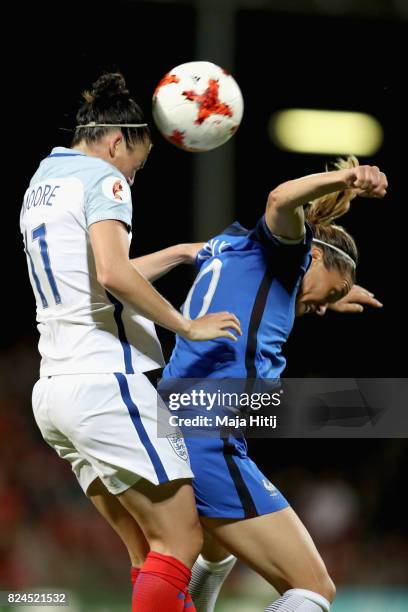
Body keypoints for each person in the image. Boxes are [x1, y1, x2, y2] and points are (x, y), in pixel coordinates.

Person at [20, 72, 242, 612]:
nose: (131, 181)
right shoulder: (104, 179)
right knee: (184, 540)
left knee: (148, 552)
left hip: (54, 391)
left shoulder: (43, 180)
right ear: (117, 142)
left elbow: (96, 275)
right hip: (105, 384)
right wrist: (187, 326)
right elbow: (115, 275)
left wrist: (178, 252)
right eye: (135, 167)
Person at [159, 156, 387, 611]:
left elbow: (267, 290)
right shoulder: (289, 249)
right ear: (314, 255)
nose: (324, 308)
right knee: (315, 588)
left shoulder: (232, 247)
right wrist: (346, 178)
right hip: (209, 435)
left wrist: (335, 294)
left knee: (217, 550)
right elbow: (282, 198)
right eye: (333, 291)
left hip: (176, 423)